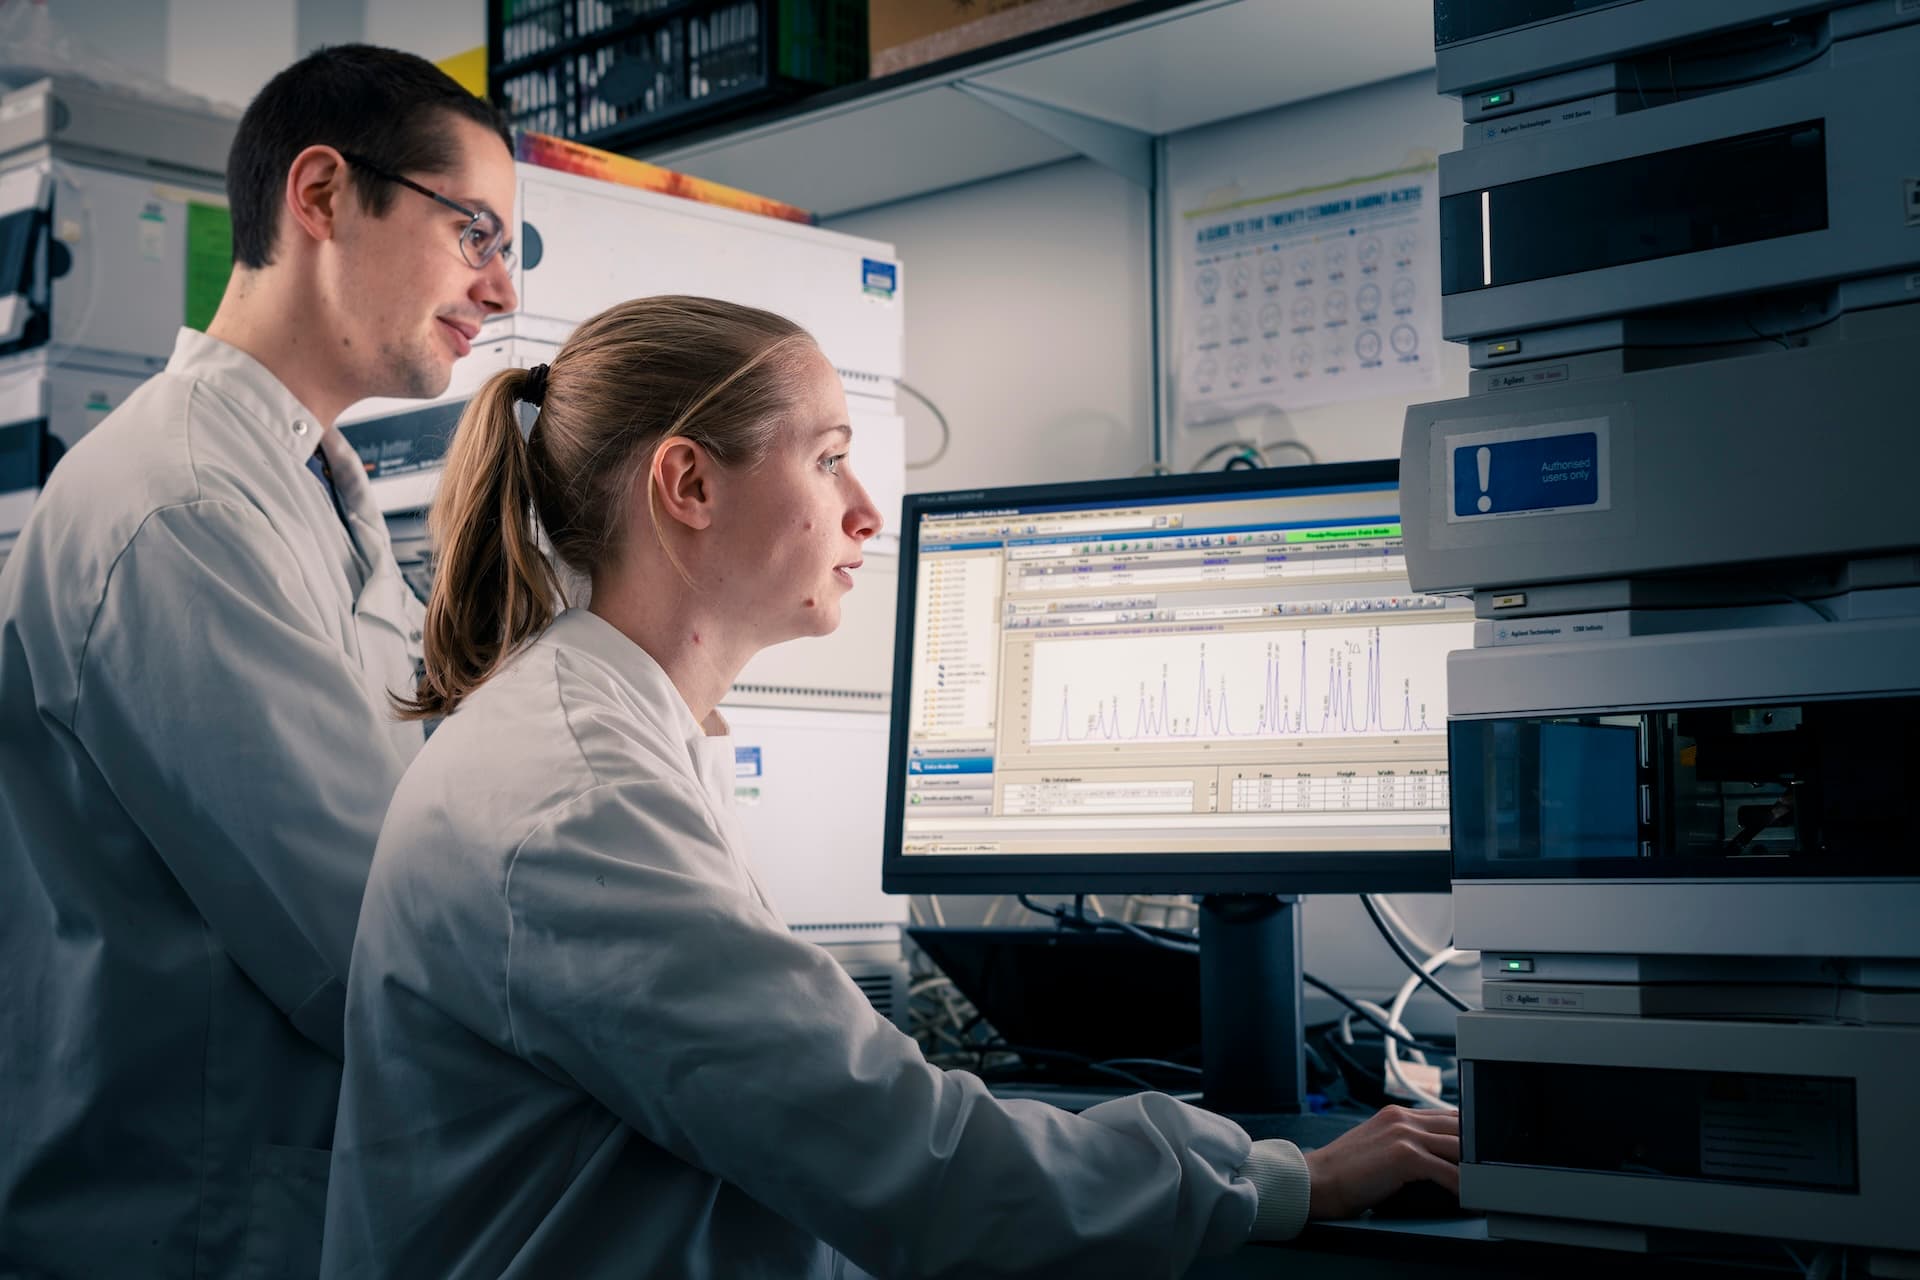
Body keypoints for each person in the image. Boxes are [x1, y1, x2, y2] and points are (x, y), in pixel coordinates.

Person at [320, 295, 1460, 1278]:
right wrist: (1285, 1178)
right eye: (827, 459)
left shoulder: (594, 733)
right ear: (689, 482)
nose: (866, 508)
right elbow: (916, 1160)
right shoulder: (581, 794)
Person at [0, 45, 518, 1276]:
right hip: (185, 1223)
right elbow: (371, 946)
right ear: (324, 194)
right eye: (476, 233)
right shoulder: (181, 505)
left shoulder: (298, 481)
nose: (499, 289)